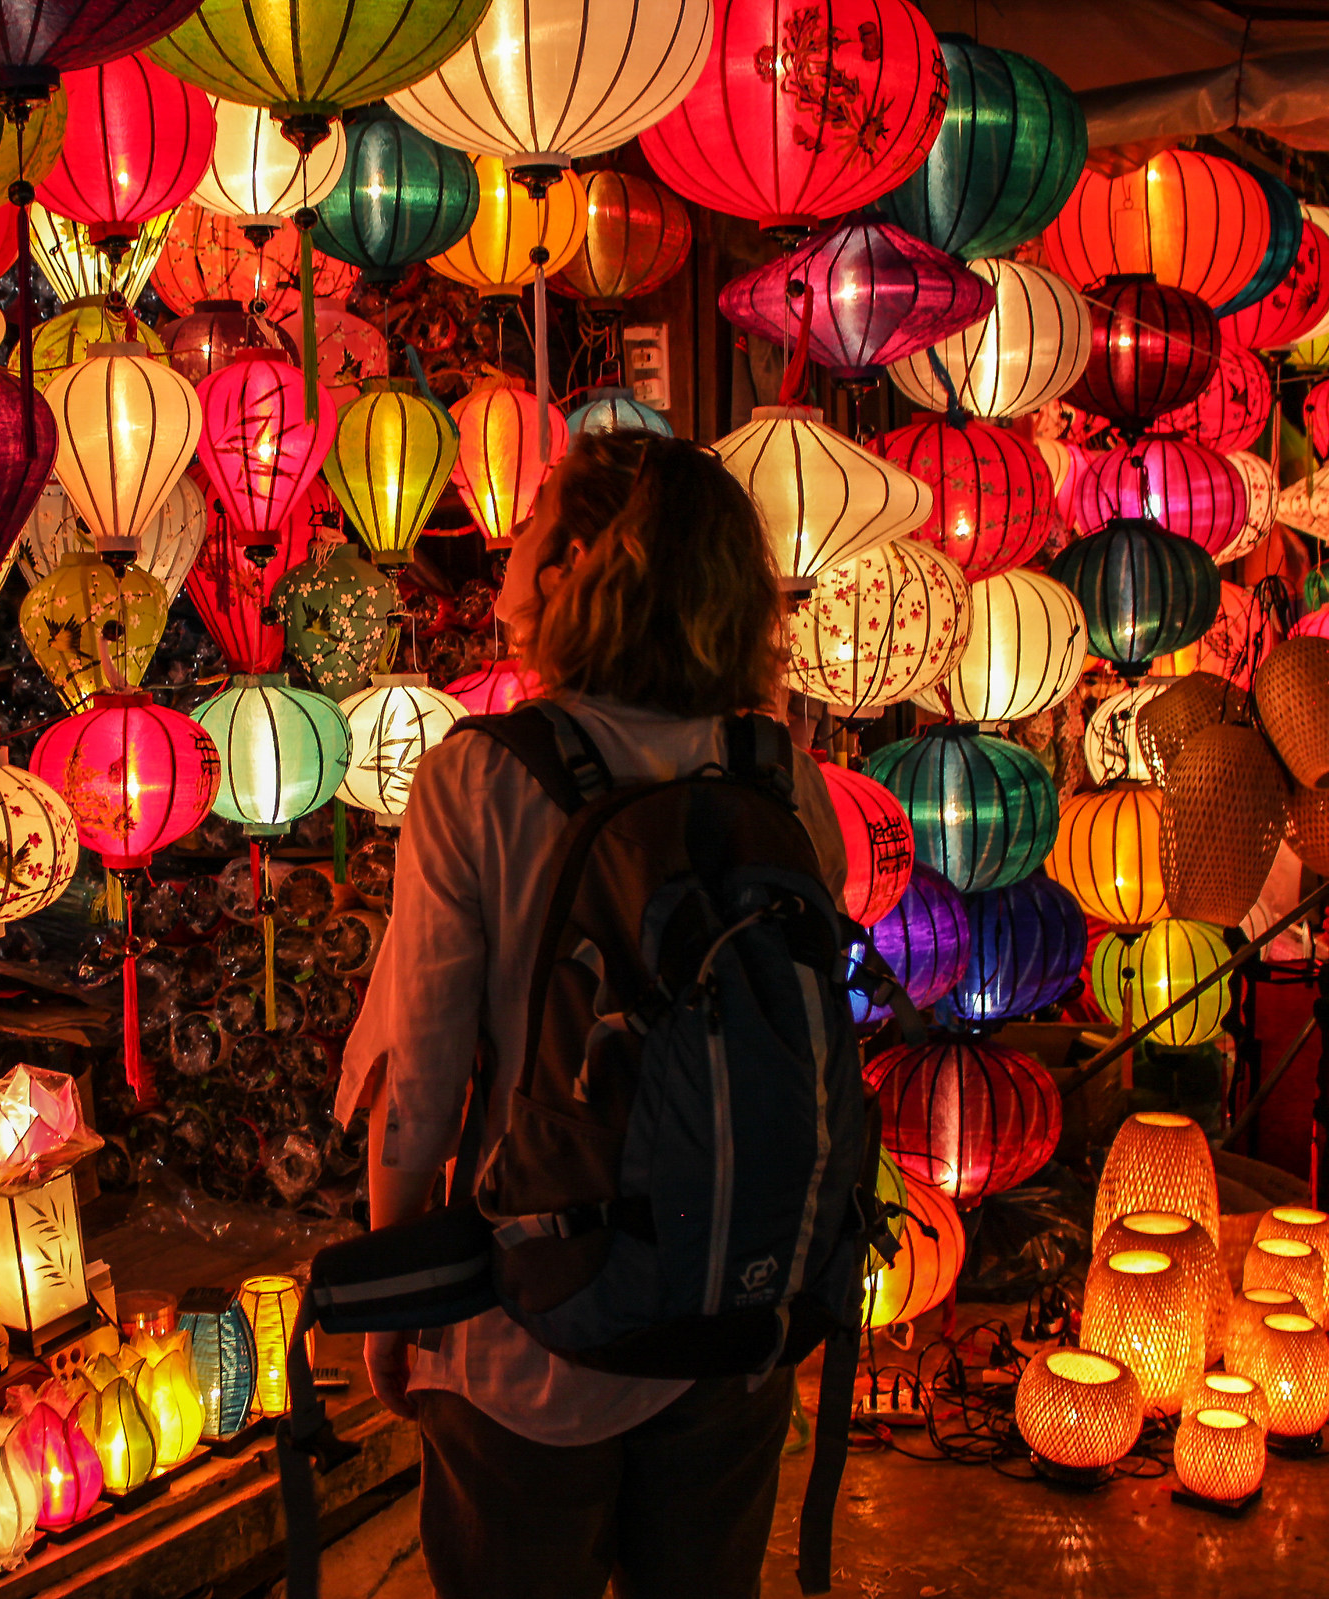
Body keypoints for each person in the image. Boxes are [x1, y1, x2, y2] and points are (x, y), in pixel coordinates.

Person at [334, 430, 849, 1599]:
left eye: (528, 524)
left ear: (572, 562)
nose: (507, 542)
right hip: (737, 1307)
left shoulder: (484, 775)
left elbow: (419, 1079)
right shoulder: (776, 775)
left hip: (535, 1326)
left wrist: (397, 1292)